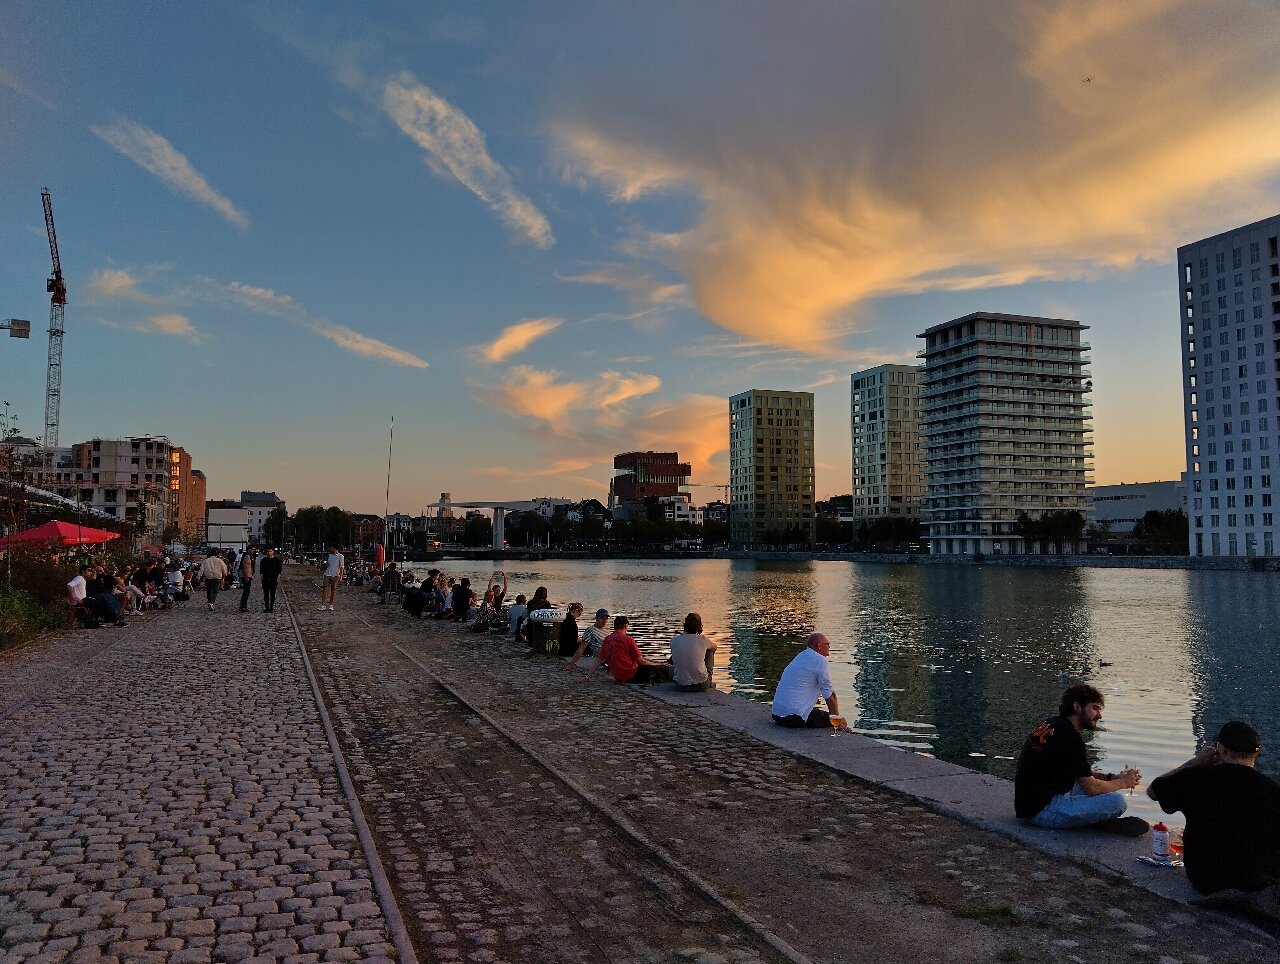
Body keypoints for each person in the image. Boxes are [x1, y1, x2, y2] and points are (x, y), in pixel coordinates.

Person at [1148, 721, 1280, 895]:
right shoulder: (1272, 790)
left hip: (1205, 878)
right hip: (1255, 882)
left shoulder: (1197, 779)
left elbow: (1154, 791)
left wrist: (1195, 762)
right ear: (1257, 752)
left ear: (1222, 750)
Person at [1013, 684, 1146, 835]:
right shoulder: (1070, 737)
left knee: (1099, 790)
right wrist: (1123, 783)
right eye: (1094, 708)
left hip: (1030, 805)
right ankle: (1094, 823)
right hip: (1043, 811)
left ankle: (1089, 819)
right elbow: (1092, 788)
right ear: (1077, 707)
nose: (1099, 715)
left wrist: (1112, 778)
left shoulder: (1053, 724)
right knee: (1117, 802)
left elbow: (1080, 772)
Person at [771, 633, 843, 728]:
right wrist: (837, 722)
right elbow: (830, 695)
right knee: (839, 720)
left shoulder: (801, 656)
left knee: (821, 714)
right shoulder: (820, 661)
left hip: (777, 715)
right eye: (827, 644)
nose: (829, 646)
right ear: (819, 646)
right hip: (794, 718)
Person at [584, 616, 670, 685]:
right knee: (665, 670)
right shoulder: (628, 640)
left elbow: (599, 660)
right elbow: (641, 662)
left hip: (618, 676)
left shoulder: (607, 639)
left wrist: (587, 677)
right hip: (631, 675)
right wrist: (659, 664)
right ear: (626, 626)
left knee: (654, 664)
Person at [669, 612, 717, 692]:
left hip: (680, 686)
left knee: (676, 658)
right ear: (699, 626)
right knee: (710, 650)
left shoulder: (674, 640)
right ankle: (709, 680)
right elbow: (715, 647)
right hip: (700, 685)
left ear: (685, 625)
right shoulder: (703, 640)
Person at [66, 564, 102, 628]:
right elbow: (69, 585)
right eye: (89, 571)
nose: (90, 573)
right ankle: (91, 623)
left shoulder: (84, 579)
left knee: (97, 601)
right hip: (78, 601)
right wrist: (72, 598)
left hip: (83, 600)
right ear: (83, 571)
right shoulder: (79, 578)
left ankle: (93, 622)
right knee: (94, 602)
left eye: (91, 571)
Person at [319, 545, 345, 611]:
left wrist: (341, 576)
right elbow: (328, 564)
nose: (330, 549)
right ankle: (323, 604)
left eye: (331, 548)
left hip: (335, 575)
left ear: (335, 548)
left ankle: (331, 604)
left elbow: (342, 567)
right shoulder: (329, 556)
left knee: (333, 590)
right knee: (325, 589)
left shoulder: (341, 556)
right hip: (327, 574)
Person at [259, 547, 283, 612]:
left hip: (273, 580)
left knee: (272, 594)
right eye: (268, 551)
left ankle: (271, 607)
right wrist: (262, 579)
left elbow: (279, 571)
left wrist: (278, 579)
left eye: (270, 551)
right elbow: (261, 571)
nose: (269, 553)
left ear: (273, 552)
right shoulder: (264, 560)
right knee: (266, 594)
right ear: (266, 552)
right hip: (266, 580)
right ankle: (267, 607)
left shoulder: (277, 560)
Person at [238, 545, 257, 612]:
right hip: (245, 575)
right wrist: (247, 576)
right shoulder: (247, 556)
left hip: (247, 575)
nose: (253, 551)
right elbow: (245, 566)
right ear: (248, 549)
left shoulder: (249, 556)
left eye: (254, 549)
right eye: (252, 549)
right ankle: (243, 606)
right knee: (246, 591)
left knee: (246, 591)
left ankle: (243, 605)